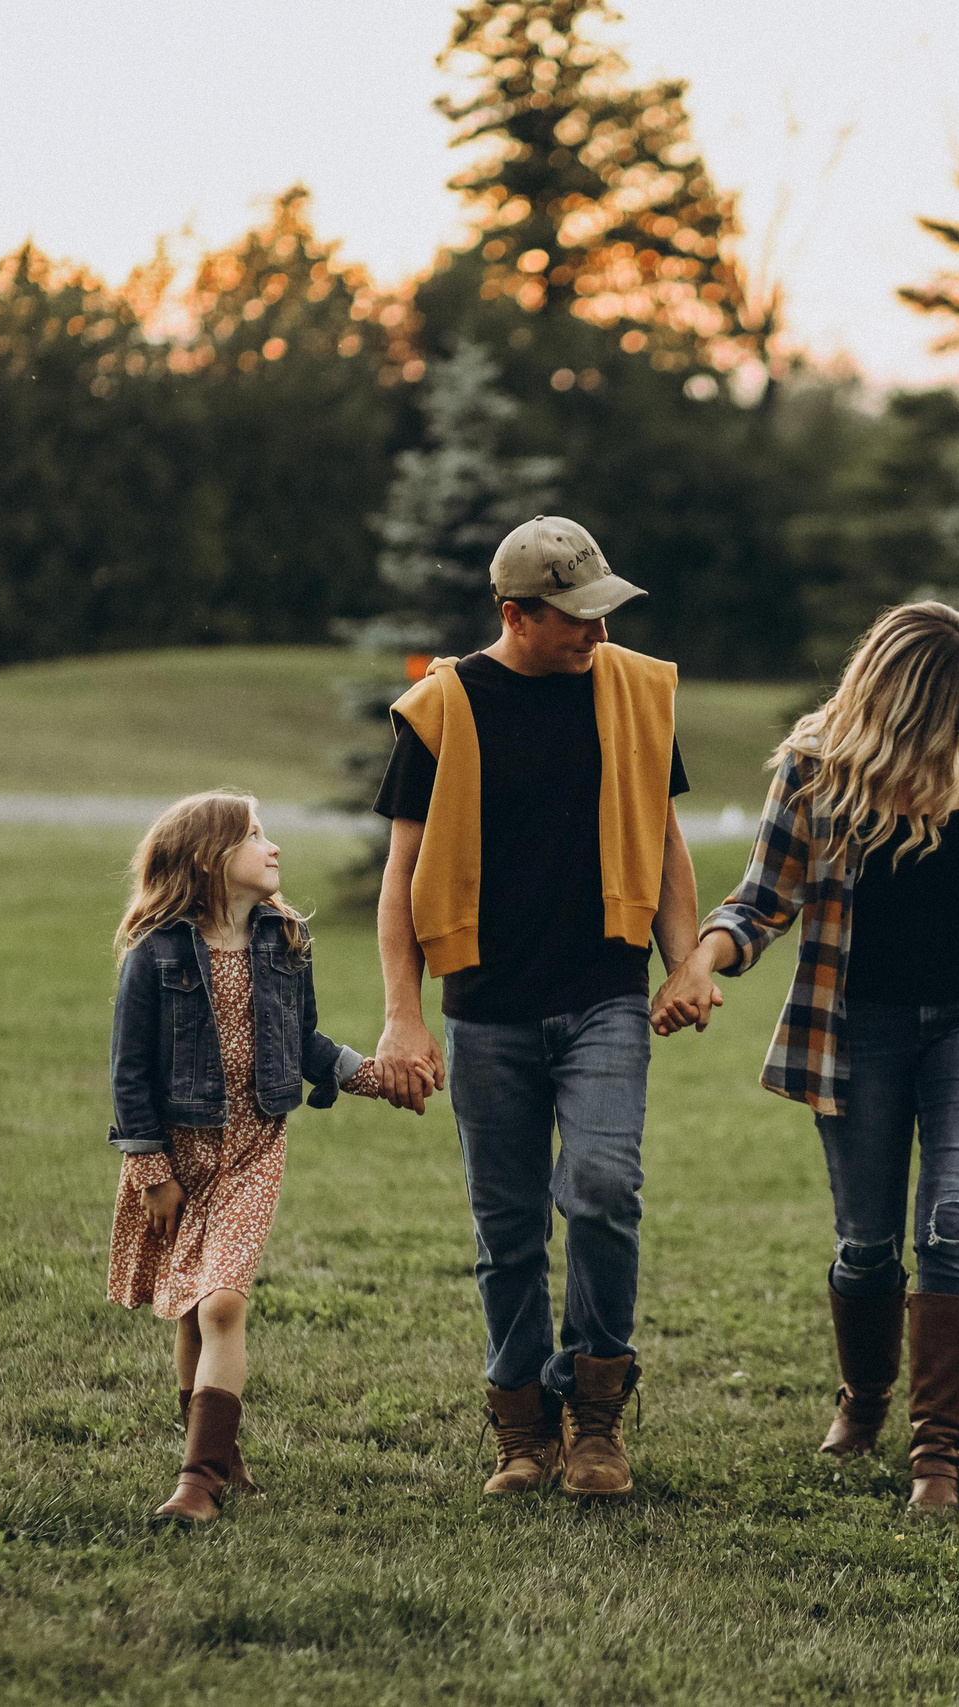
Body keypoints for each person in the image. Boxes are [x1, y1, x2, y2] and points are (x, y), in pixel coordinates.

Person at [654, 602, 959, 1512]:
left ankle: (939, 1452)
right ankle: (865, 1397)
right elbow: (763, 900)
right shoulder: (820, 764)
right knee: (866, 1243)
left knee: (956, 1222)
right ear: (919, 702)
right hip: (860, 1024)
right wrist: (699, 959)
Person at [370, 515, 699, 1500]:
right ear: (515, 614)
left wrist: (682, 962)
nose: (596, 634)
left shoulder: (638, 692)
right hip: (487, 1010)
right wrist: (403, 1015)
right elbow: (400, 878)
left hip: (603, 994)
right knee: (506, 1226)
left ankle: (595, 1417)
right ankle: (523, 1426)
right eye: (574, 619)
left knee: (601, 1189)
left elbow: (667, 842)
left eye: (604, 614)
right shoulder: (442, 708)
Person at [104, 791, 381, 1527]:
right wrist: (152, 1175)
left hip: (255, 1147)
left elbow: (305, 1042)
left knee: (222, 1298)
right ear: (209, 858)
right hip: (180, 1154)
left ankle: (198, 1484)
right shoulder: (157, 951)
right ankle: (220, 1449)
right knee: (194, 1312)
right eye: (255, 834)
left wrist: (369, 1074)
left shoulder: (285, 938)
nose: (273, 846)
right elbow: (129, 1073)